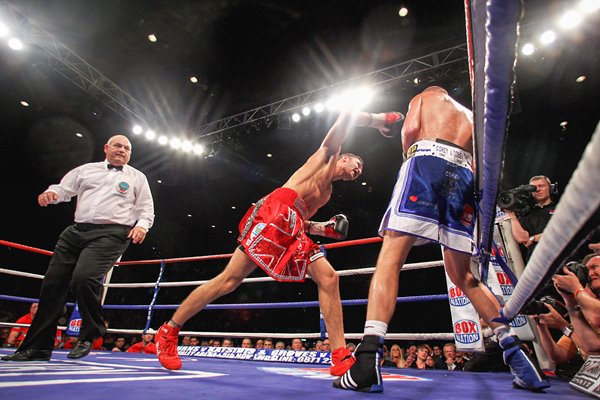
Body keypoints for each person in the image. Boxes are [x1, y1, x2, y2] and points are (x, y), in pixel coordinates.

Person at [334, 86, 550, 393]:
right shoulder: (472, 117)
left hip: (426, 162)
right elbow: (484, 164)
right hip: (464, 177)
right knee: (464, 275)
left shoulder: (430, 96)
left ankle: (368, 358)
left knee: (390, 259)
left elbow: (410, 130)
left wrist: (408, 152)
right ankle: (517, 356)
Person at [155, 110, 404, 375]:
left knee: (329, 278)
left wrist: (324, 229)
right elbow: (346, 116)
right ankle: (168, 330)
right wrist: (378, 120)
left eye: (361, 170)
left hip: (291, 224)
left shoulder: (327, 193)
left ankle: (339, 355)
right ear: (343, 157)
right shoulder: (326, 156)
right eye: (356, 163)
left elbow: (301, 221)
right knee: (229, 280)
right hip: (274, 212)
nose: (358, 170)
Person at [1, 135, 154, 362]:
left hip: (112, 233)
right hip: (77, 230)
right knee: (52, 284)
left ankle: (89, 334)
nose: (122, 150)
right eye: (118, 146)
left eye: (127, 148)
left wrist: (141, 226)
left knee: (84, 277)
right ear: (106, 148)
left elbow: (146, 209)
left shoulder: (137, 177)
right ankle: (38, 347)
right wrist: (52, 195)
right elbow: (64, 188)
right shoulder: (86, 170)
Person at [506, 175, 556, 261]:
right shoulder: (527, 214)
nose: (537, 189)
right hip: (536, 263)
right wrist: (511, 214)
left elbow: (565, 233)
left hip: (559, 257)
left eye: (541, 186)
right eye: (533, 188)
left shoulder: (560, 209)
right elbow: (522, 238)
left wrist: (534, 238)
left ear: (550, 188)